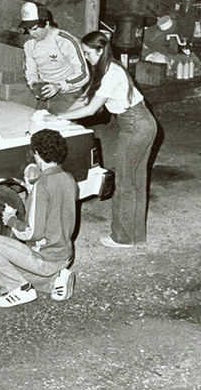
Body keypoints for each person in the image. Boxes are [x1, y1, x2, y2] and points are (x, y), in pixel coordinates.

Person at [57, 31, 158, 248]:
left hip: (134, 126)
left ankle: (121, 237)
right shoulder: (104, 69)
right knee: (136, 181)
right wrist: (61, 116)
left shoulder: (112, 72)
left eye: (88, 53)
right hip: (144, 122)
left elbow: (91, 109)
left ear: (100, 50)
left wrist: (59, 117)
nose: (86, 57)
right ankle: (135, 235)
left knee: (125, 182)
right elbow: (86, 97)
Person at [0, 129, 77, 307]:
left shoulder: (42, 186)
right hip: (64, 255)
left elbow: (32, 233)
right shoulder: (68, 179)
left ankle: (18, 289)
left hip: (44, 258)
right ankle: (55, 281)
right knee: (8, 265)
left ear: (36, 153)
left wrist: (11, 220)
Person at [20, 2, 89, 114]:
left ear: (46, 23)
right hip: (45, 93)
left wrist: (59, 86)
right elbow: (30, 70)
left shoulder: (65, 41)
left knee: (61, 128)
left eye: (34, 29)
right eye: (28, 29)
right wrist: (34, 84)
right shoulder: (29, 44)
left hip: (67, 95)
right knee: (38, 126)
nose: (31, 33)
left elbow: (84, 74)